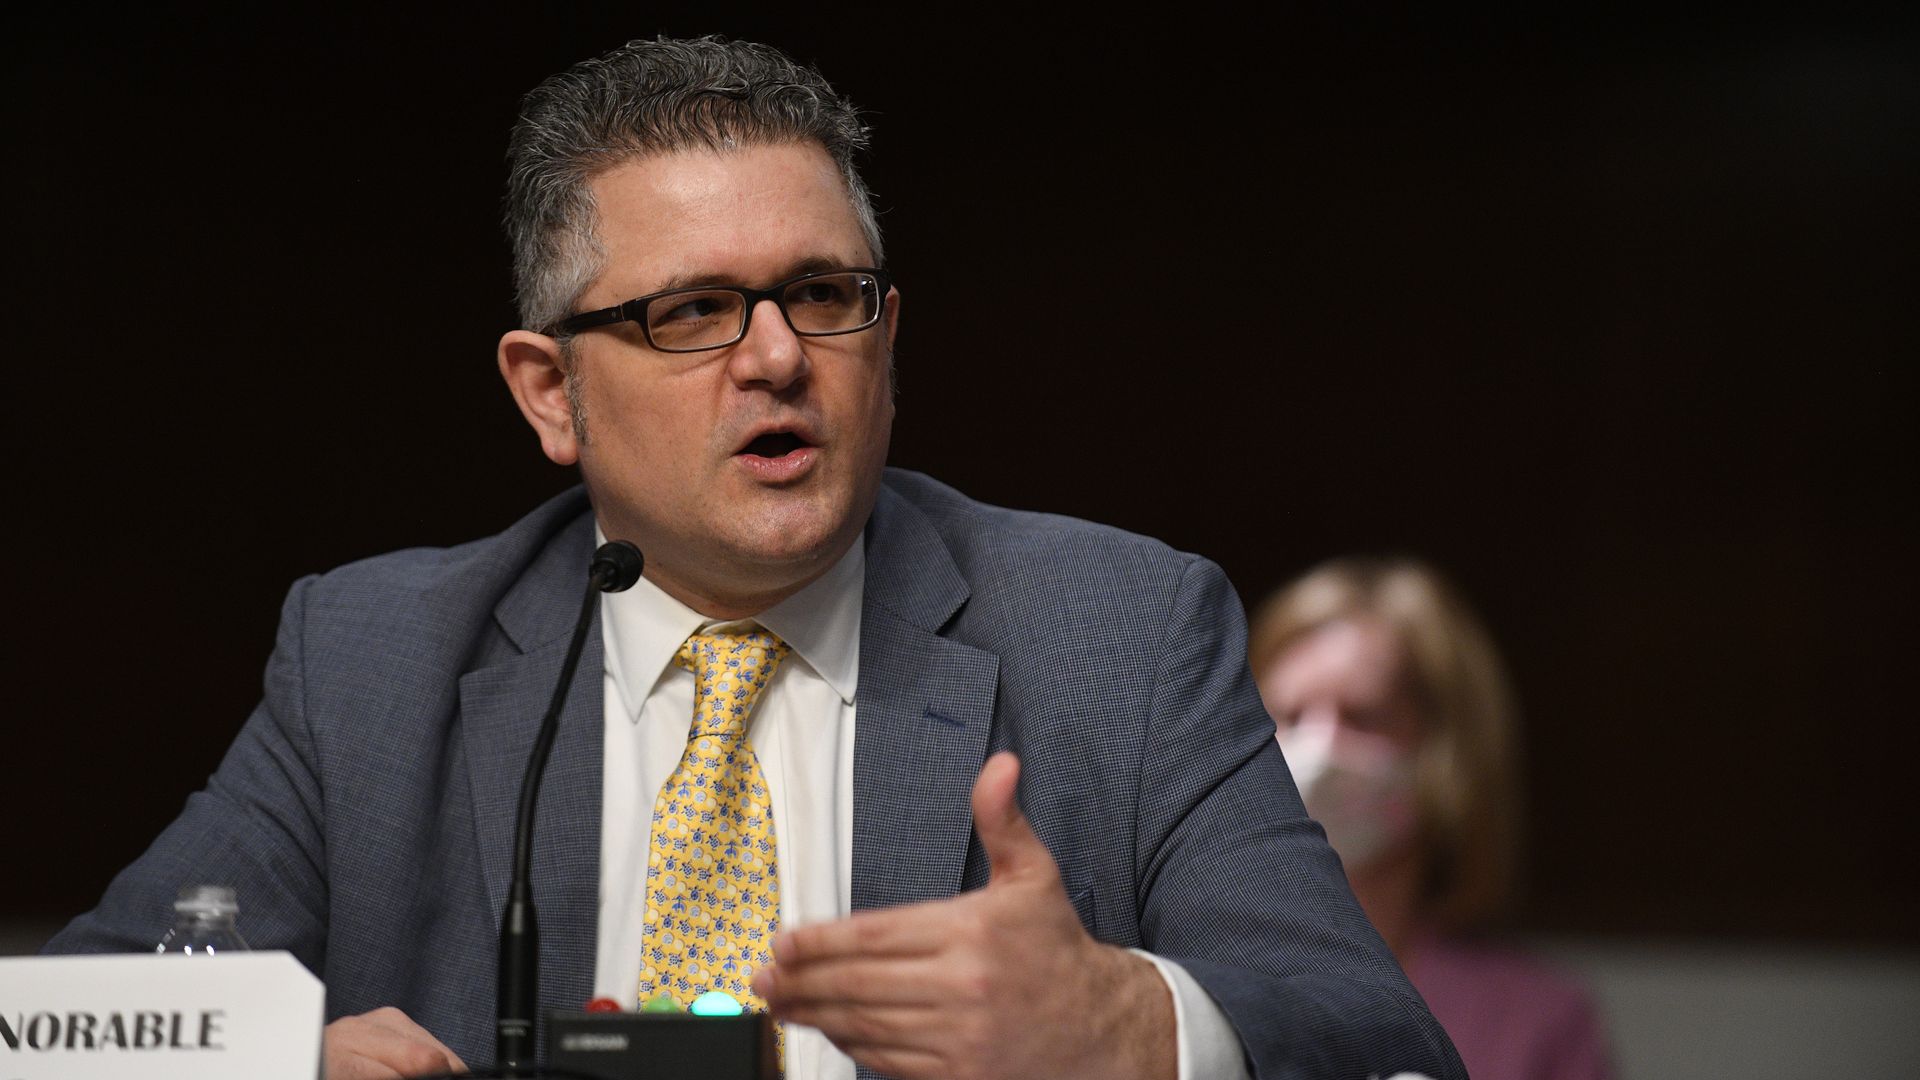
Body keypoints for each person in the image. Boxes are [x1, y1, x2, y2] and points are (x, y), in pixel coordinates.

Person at [46, 38, 1463, 1080]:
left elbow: (1386, 1048)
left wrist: (1136, 1029)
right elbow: (64, 1029)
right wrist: (275, 1067)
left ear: (887, 340)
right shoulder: (376, 658)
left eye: (823, 296)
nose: (779, 357)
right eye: (695, 312)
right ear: (551, 392)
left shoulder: (1121, 632)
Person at [1250, 557, 1614, 1080]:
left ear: (1445, 750)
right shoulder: (1191, 982)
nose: (1319, 747)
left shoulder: (1537, 1022)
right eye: (1287, 716)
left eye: (1363, 716)